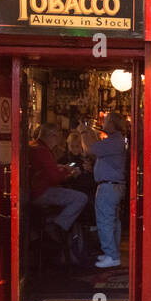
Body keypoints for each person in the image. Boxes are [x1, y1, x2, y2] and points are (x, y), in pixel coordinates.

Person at [79, 112, 128, 268]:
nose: (103, 122)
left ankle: (112, 255)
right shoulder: (116, 141)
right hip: (112, 186)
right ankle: (112, 253)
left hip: (109, 187)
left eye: (106, 120)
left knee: (105, 221)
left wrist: (83, 131)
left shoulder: (115, 141)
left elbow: (90, 149)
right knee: (112, 221)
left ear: (112, 124)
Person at [30, 124, 88, 244]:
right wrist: (68, 171)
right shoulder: (43, 151)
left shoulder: (34, 145)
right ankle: (57, 227)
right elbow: (55, 178)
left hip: (33, 191)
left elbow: (43, 170)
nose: (58, 141)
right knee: (81, 198)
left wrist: (59, 167)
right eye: (57, 137)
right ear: (51, 136)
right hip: (41, 192)